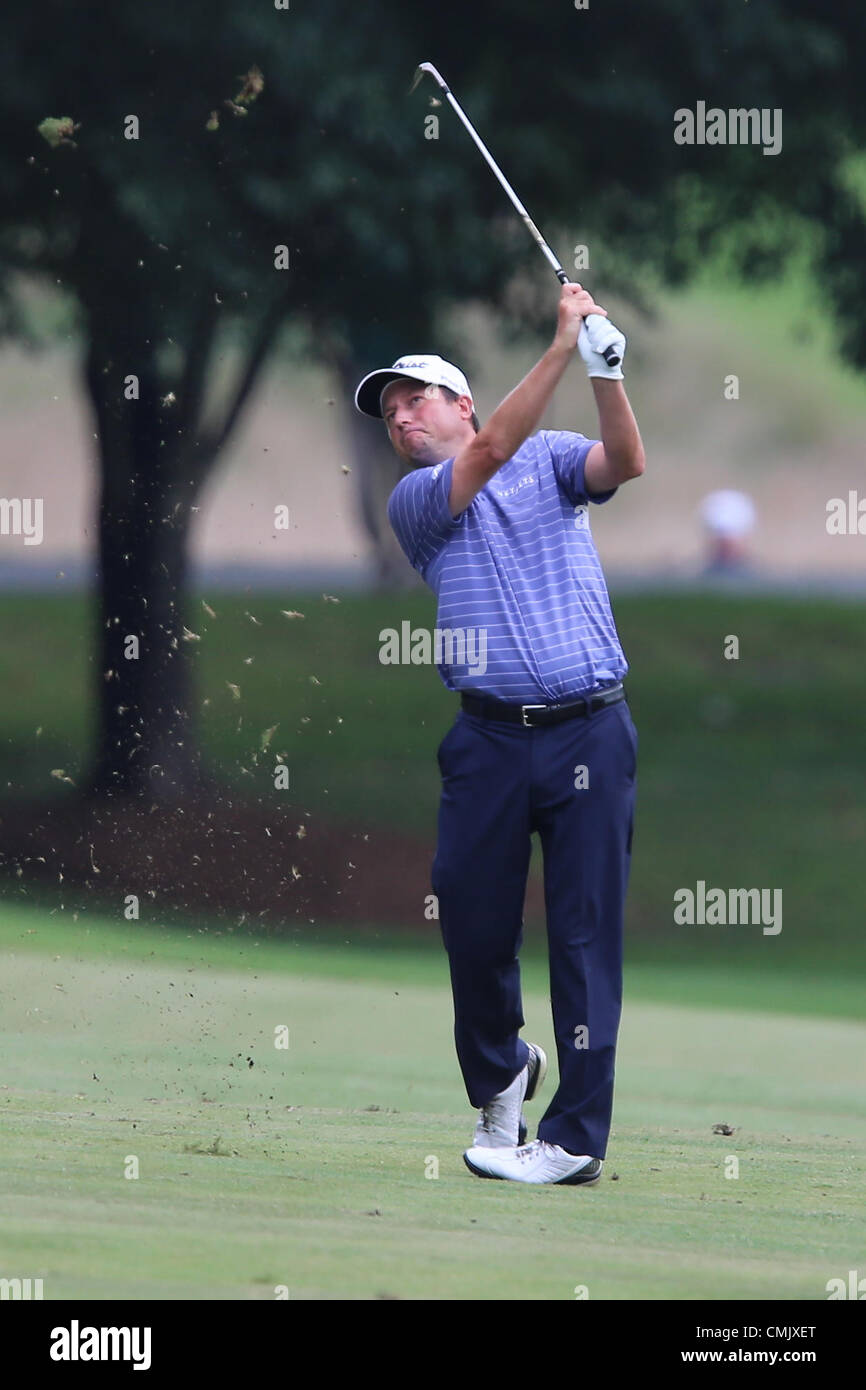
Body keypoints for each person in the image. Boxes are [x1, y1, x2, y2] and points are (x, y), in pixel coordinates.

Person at [354, 283, 645, 1186]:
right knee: (474, 927)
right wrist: (561, 343)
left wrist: (604, 372)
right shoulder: (417, 501)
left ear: (461, 398)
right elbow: (487, 453)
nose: (402, 418)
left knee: (584, 937)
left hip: (590, 732)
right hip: (487, 742)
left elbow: (626, 461)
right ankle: (503, 1071)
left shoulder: (552, 458)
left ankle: (576, 1140)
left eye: (416, 398)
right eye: (391, 411)